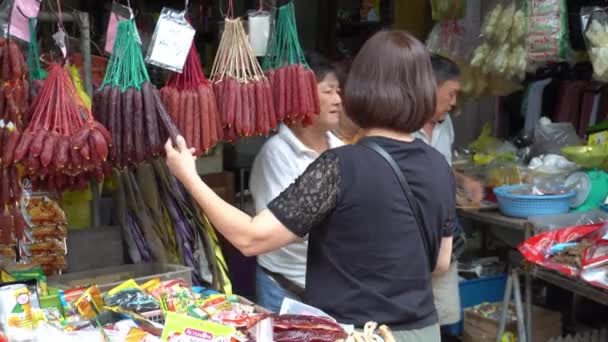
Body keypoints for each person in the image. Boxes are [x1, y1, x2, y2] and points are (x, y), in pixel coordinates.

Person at [165, 30, 455, 342]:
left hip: (357, 335)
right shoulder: (439, 167)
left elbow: (250, 238)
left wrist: (188, 176)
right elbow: (440, 262)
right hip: (423, 333)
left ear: (359, 89)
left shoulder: (341, 165)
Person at [248, 53, 344, 312]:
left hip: (333, 289)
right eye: (328, 91)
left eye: (338, 91)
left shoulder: (341, 149)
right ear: (301, 98)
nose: (338, 100)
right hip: (285, 289)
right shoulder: (276, 153)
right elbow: (278, 231)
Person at [416, 54, 484, 332]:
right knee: (410, 317)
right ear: (430, 87)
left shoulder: (446, 125)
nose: (455, 103)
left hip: (442, 235)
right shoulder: (398, 127)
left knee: (443, 316)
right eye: (451, 93)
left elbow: (442, 167)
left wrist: (462, 181)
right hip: (411, 236)